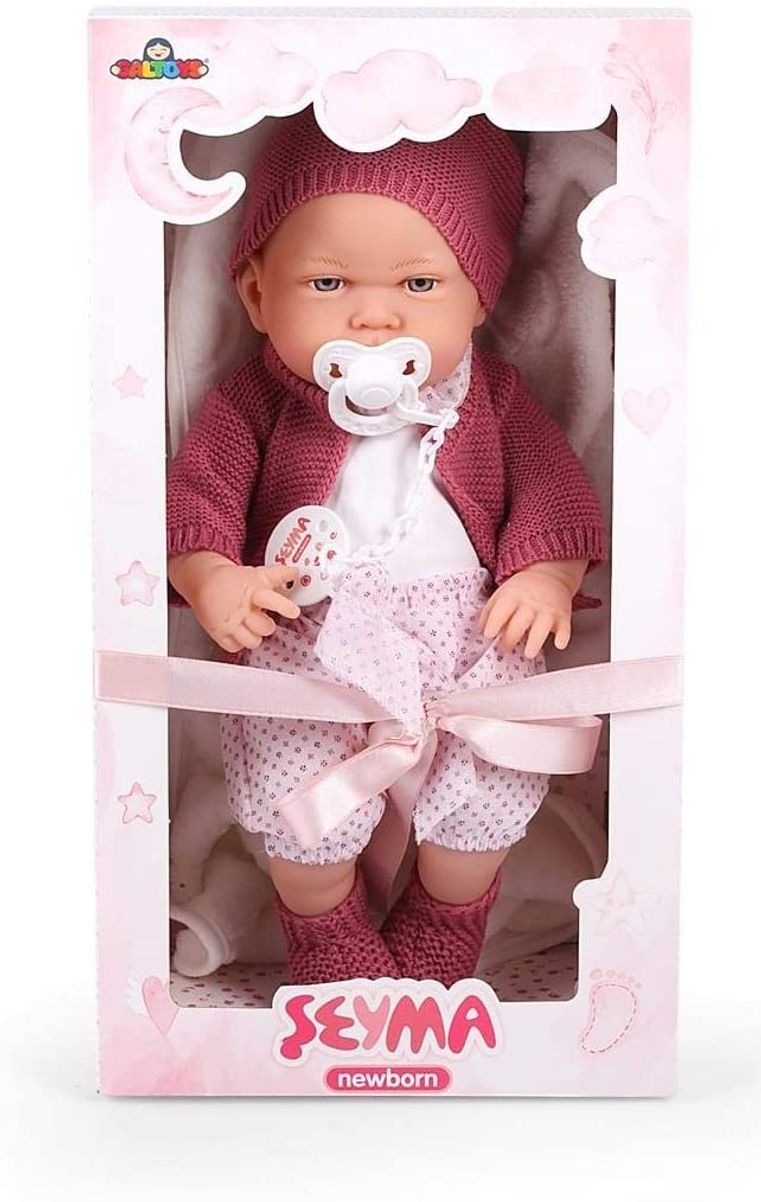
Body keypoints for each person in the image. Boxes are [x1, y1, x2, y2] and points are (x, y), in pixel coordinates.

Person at [167, 107, 605, 986]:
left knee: (481, 801)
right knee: (303, 810)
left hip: (469, 637)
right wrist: (213, 576)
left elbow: (554, 490)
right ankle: (324, 930)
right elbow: (198, 497)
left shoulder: (492, 400)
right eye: (328, 283)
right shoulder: (254, 404)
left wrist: (545, 574)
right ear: (256, 295)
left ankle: (448, 917)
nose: (373, 316)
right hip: (308, 641)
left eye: (420, 284)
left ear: (479, 299)